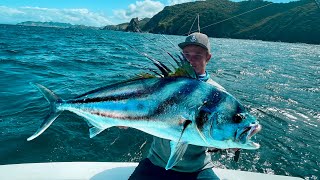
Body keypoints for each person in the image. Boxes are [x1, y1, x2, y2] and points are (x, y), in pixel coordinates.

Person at [128, 32, 223, 180]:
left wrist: (228, 142)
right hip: (156, 162)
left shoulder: (218, 94)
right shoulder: (162, 84)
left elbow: (222, 130)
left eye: (197, 55)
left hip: (197, 168)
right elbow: (137, 106)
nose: (191, 60)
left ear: (208, 58)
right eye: (186, 54)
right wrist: (124, 118)